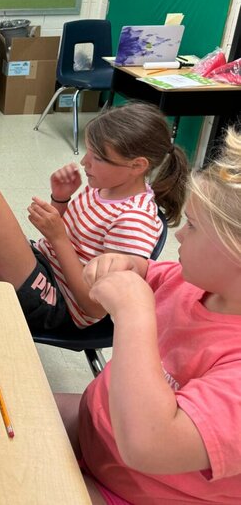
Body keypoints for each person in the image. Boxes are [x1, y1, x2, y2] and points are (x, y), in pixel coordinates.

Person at [56, 128, 241, 504]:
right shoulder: (192, 282)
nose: (179, 237)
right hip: (96, 430)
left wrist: (134, 314)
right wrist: (127, 263)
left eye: (192, 225)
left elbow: (149, 444)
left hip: (131, 492)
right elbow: (146, 274)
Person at [0, 102, 188, 330]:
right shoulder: (103, 185)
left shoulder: (135, 221)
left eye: (97, 157)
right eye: (88, 152)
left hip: (63, 302)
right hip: (44, 263)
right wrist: (61, 199)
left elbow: (94, 307)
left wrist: (58, 237)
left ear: (137, 166)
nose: (85, 162)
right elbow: (71, 240)